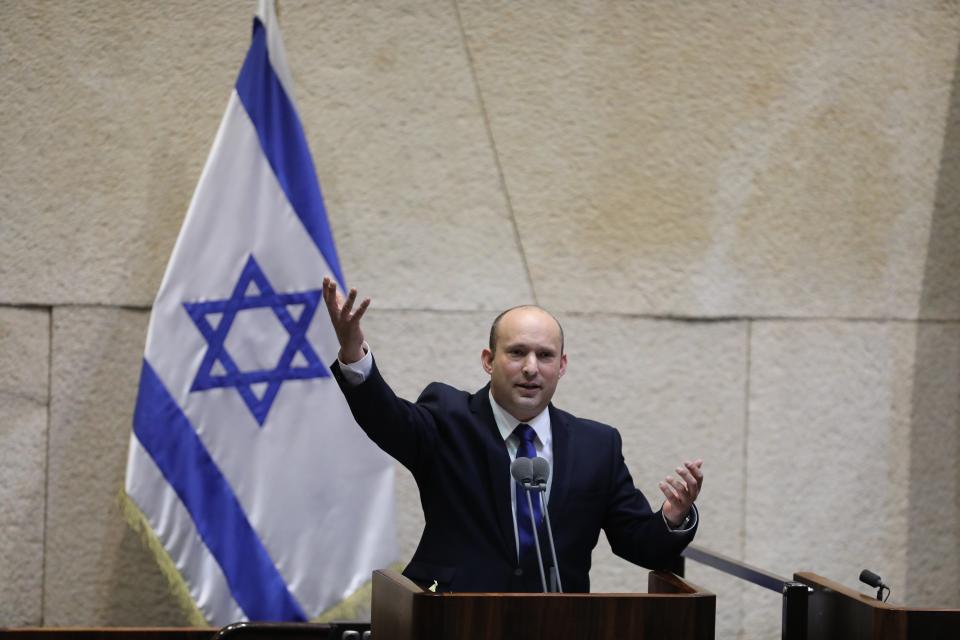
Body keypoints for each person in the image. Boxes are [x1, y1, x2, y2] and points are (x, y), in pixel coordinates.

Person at [322, 278, 703, 593]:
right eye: (517, 352)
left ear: (562, 366)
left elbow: (639, 542)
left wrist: (672, 517)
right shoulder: (448, 416)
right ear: (489, 360)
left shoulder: (597, 446)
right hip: (452, 618)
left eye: (545, 355)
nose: (531, 368)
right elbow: (388, 419)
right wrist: (354, 352)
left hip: (557, 624)